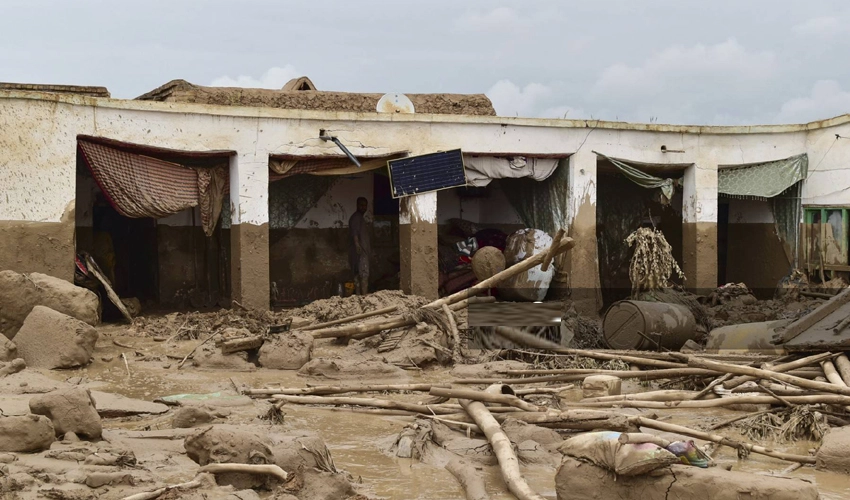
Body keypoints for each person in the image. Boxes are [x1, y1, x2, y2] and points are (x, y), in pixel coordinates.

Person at [348, 197, 372, 295]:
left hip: (359, 251)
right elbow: (355, 233)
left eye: (365, 205)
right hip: (360, 251)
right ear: (357, 205)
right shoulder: (356, 217)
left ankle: (358, 297)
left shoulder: (359, 218)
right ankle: (364, 297)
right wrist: (357, 245)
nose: (363, 207)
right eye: (361, 205)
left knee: (357, 275)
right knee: (364, 275)